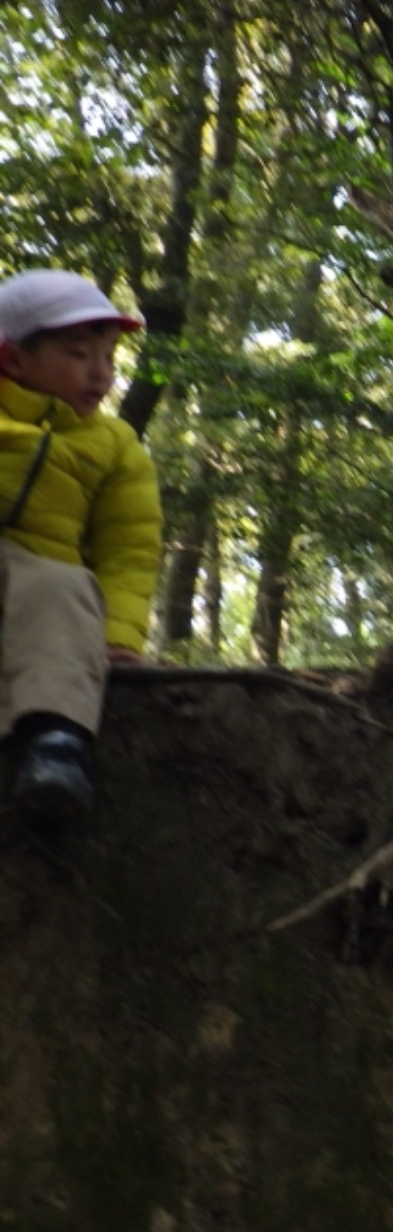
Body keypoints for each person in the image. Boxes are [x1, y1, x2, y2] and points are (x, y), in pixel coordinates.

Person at [0, 270, 162, 825]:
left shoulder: (114, 446)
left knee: (61, 586)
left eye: (110, 357)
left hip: (43, 585)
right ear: (16, 360)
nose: (101, 373)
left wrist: (120, 635)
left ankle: (56, 742)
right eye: (79, 354)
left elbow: (129, 548)